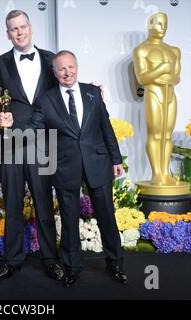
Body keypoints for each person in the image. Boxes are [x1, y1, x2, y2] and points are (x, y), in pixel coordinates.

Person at [18, 50, 128, 287]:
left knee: (107, 215)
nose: (67, 72)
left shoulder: (92, 93)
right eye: (61, 69)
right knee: (69, 219)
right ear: (54, 73)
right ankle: (72, 267)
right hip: (66, 167)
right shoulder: (46, 100)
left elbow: (106, 127)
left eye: (70, 67)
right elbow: (32, 129)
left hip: (97, 163)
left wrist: (116, 159)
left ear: (76, 67)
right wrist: (10, 129)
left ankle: (115, 263)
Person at [0, 10, 63, 282]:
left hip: (43, 142)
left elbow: (64, 90)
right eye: (13, 29)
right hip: (10, 144)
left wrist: (91, 89)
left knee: (44, 202)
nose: (19, 32)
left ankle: (50, 259)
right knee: (12, 203)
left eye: (22, 27)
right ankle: (13, 260)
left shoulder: (51, 60)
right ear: (8, 34)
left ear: (30, 28)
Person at [133, 12, 181, 186]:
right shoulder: (141, 50)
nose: (162, 28)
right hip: (153, 93)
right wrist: (161, 69)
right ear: (150, 24)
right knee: (155, 133)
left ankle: (165, 173)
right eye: (159, 24)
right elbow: (142, 78)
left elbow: (176, 77)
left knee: (167, 135)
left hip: (169, 95)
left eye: (165, 25)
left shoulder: (174, 50)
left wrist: (169, 77)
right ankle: (156, 174)